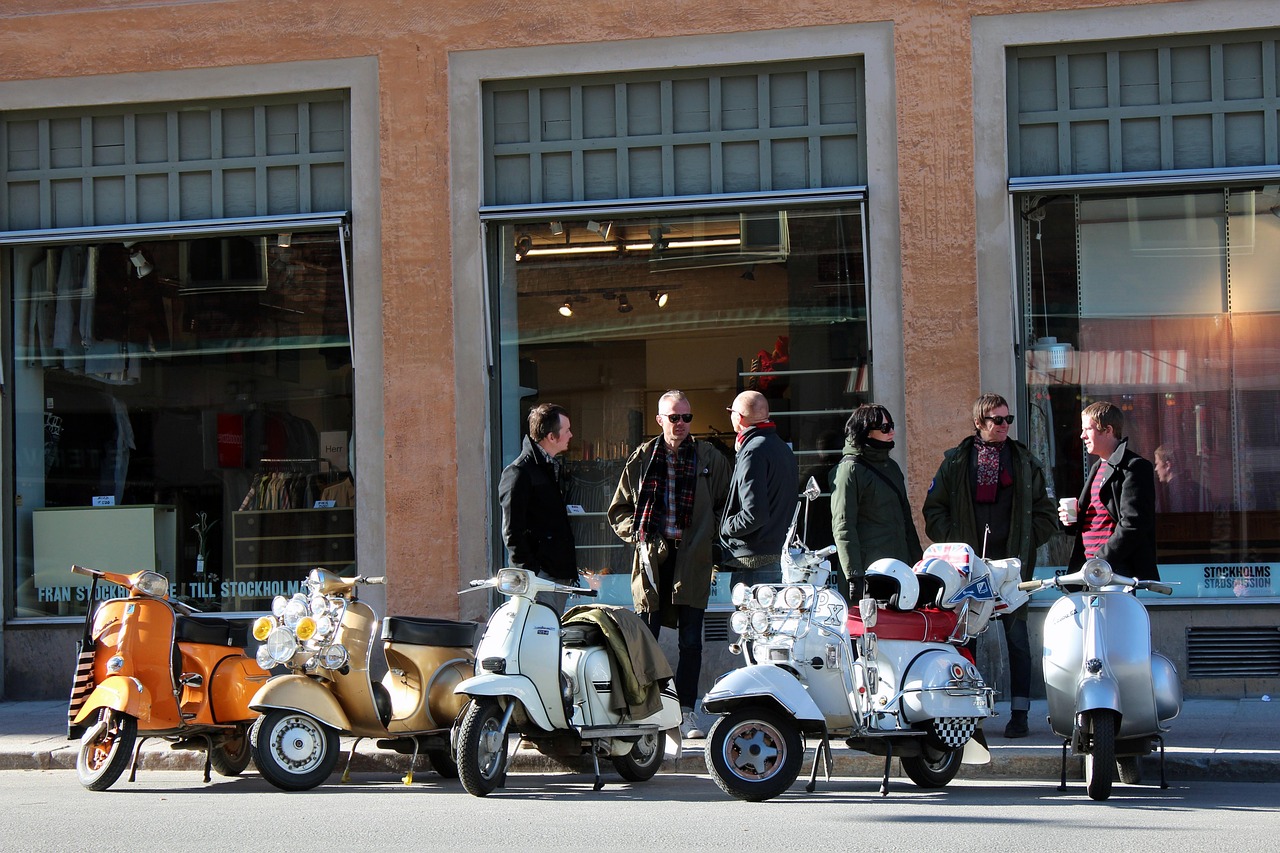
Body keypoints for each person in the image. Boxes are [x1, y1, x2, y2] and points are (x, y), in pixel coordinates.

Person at [922, 393, 1057, 738]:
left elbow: (1046, 511)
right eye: (997, 420)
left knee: (1017, 639)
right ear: (979, 423)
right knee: (967, 639)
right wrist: (955, 544)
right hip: (970, 567)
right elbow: (933, 510)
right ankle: (972, 716)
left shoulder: (1023, 461)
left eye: (1007, 420)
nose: (1004, 426)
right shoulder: (956, 462)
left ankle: (1020, 714)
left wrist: (1027, 541)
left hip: (1011, 566)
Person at [608, 390, 731, 740]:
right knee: (646, 638)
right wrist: (641, 536)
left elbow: (727, 504)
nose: (680, 424)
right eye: (673, 417)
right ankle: (646, 710)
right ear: (660, 420)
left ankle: (687, 711)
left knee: (692, 641)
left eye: (686, 417)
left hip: (693, 559)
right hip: (653, 559)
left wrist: (713, 542)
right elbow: (618, 511)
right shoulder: (644, 457)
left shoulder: (709, 457)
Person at [830, 404, 923, 601]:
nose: (891, 432)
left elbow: (906, 520)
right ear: (866, 432)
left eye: (891, 426)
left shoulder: (892, 467)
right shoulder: (849, 470)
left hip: (899, 567)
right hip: (869, 570)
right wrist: (854, 575)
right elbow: (843, 526)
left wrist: (917, 563)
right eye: (884, 428)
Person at [1063, 400, 1159, 581]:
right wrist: (1072, 518)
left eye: (1087, 429)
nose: (1082, 436)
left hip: (1115, 572)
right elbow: (1095, 521)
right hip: (1089, 570)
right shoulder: (1097, 467)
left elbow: (1134, 523)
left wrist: (1101, 559)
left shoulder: (1135, 467)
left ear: (1108, 430)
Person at [498, 403, 578, 614]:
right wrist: (531, 573)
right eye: (567, 430)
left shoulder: (549, 467)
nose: (571, 435)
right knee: (540, 634)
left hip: (554, 572)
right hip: (539, 578)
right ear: (552, 437)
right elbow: (512, 531)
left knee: (550, 636)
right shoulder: (519, 472)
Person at [720, 390, 799, 580]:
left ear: (738, 417)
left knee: (750, 610)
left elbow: (754, 514)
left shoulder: (753, 451)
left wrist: (725, 527)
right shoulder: (781, 447)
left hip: (754, 561)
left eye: (731, 411)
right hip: (775, 554)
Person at [1154, 445, 1202, 513]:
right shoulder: (1198, 489)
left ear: (1168, 465)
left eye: (1157, 464)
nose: (1156, 469)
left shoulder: (1167, 493)